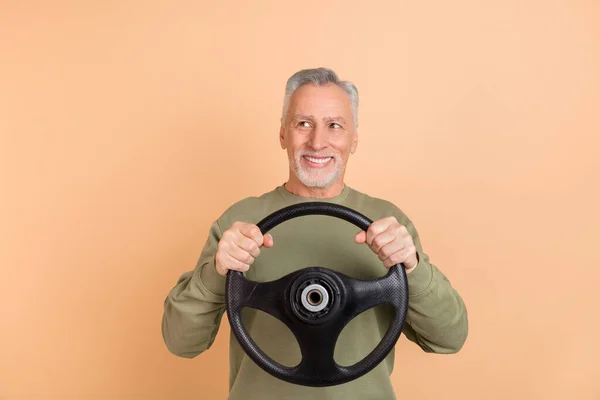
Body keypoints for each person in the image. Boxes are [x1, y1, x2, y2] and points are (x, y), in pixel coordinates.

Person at [161, 67, 468, 399]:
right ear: (283, 135)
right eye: (303, 124)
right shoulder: (240, 222)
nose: (318, 142)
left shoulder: (388, 224)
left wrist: (413, 267)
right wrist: (215, 273)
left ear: (354, 139)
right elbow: (181, 342)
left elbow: (449, 338)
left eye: (334, 125)